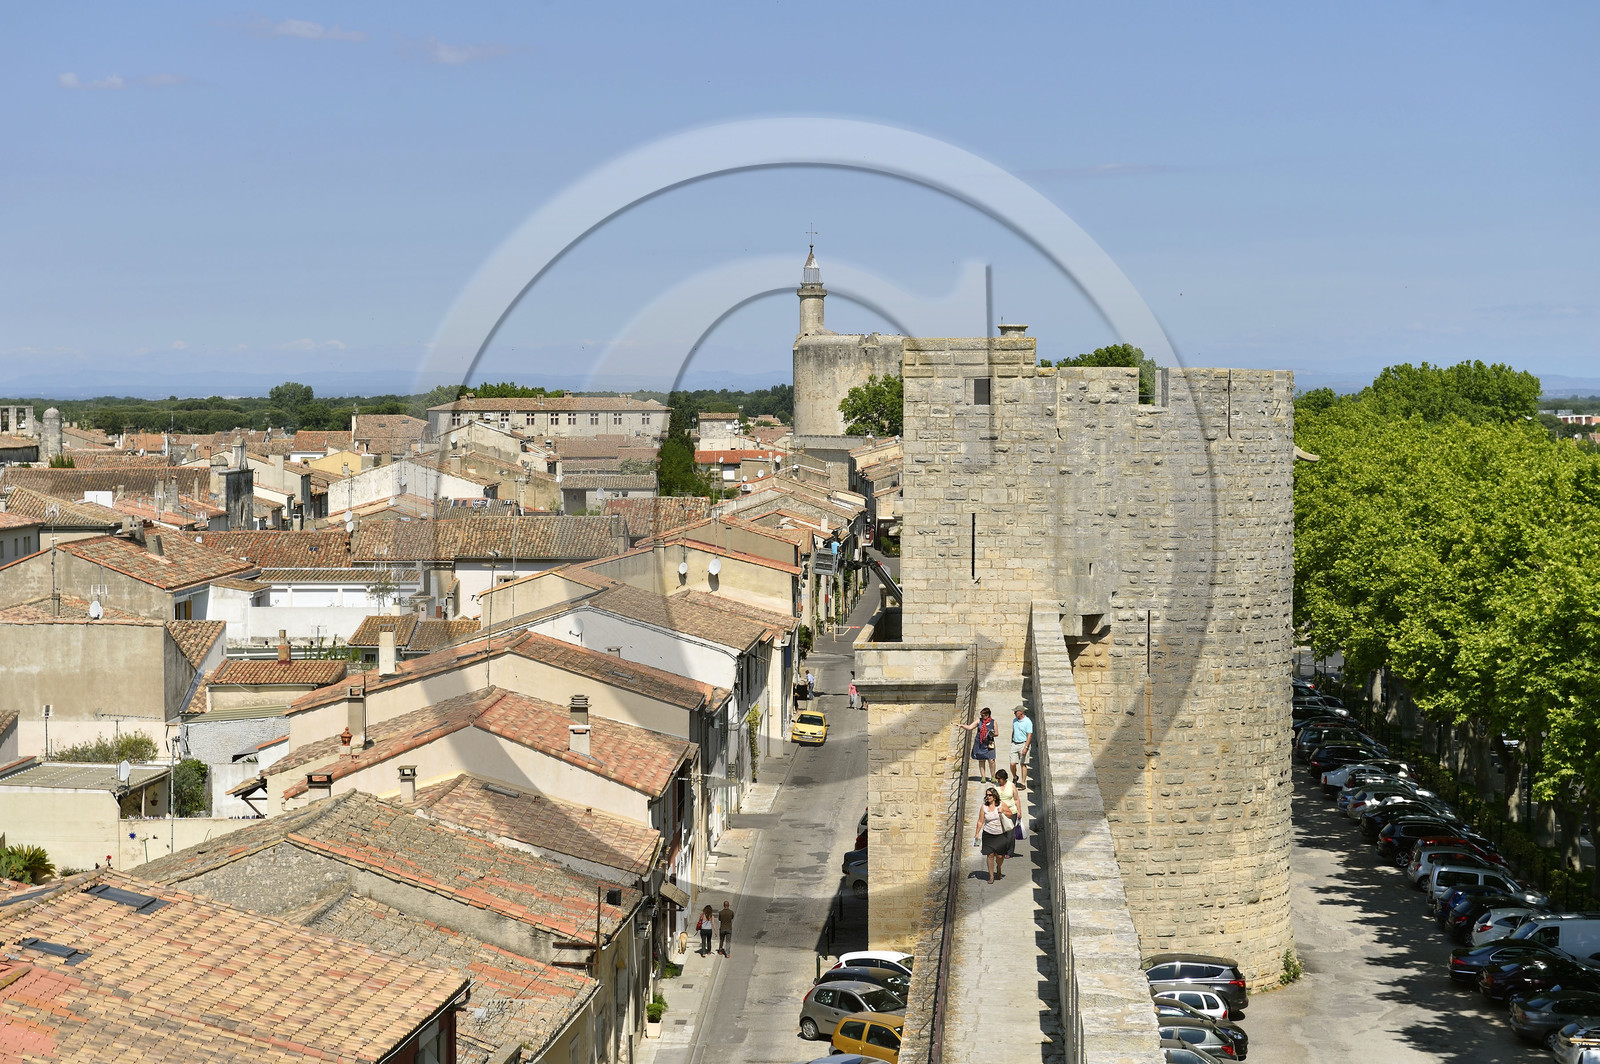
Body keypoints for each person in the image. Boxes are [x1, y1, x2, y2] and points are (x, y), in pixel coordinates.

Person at [973, 786, 1014, 883]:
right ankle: (991, 876)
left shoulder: (1001, 805)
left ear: (994, 796)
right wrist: (977, 833)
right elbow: (980, 821)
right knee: (990, 855)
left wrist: (1003, 811)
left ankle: (998, 867)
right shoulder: (984, 807)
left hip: (1000, 834)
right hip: (988, 834)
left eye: (990, 795)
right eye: (987, 795)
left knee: (1000, 856)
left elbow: (1010, 814)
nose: (988, 797)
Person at [955, 707, 997, 783]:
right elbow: (970, 727)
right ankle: (983, 777)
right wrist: (961, 725)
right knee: (981, 759)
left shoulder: (993, 722)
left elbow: (997, 733)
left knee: (991, 760)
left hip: (989, 743)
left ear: (987, 715)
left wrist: (992, 734)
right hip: (980, 743)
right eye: (981, 715)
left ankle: (993, 776)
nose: (982, 716)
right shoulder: (979, 721)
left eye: (983, 715)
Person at [1010, 706, 1034, 789]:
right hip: (1015, 743)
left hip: (1023, 744)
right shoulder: (1014, 721)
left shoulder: (1028, 722)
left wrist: (1026, 747)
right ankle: (1015, 776)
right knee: (1012, 763)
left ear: (1021, 712)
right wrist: (1012, 741)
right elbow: (1014, 731)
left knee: (1023, 764)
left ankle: (1023, 783)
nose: (1014, 713)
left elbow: (1029, 735)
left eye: (1016, 712)